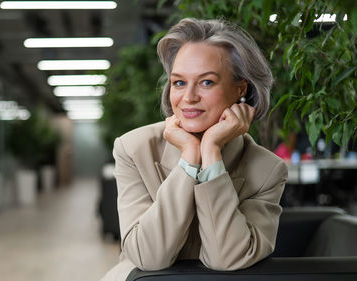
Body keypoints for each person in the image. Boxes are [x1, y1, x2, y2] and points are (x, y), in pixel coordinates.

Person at [101, 18, 287, 281]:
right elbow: (148, 257)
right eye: (178, 83)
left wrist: (211, 153)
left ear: (240, 89)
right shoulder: (133, 149)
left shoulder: (268, 170)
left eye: (206, 82)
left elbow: (227, 258)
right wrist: (189, 158)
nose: (188, 97)